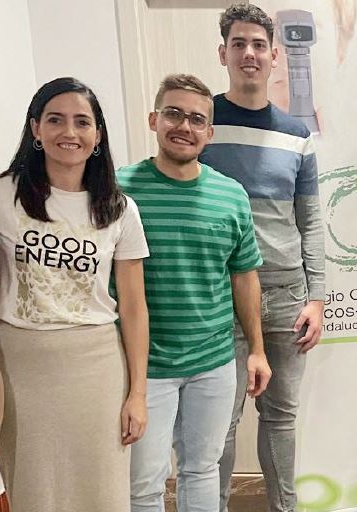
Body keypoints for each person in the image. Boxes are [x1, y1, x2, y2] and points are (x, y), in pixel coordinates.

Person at [0, 77, 151, 512]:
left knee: (102, 491)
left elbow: (134, 307)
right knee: (34, 489)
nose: (69, 132)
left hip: (96, 366)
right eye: (55, 120)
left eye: (82, 122)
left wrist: (138, 393)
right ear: (36, 128)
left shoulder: (119, 208)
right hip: (19, 363)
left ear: (98, 135)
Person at [123, 73, 271, 512]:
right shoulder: (118, 191)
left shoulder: (231, 195)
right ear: (154, 119)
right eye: (173, 114)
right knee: (144, 483)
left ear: (209, 132)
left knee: (203, 469)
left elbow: (244, 276)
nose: (184, 126)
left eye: (196, 119)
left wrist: (257, 350)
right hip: (145, 366)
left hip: (213, 361)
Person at [202, 6, 327, 511]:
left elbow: (310, 220)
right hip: (220, 296)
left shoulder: (297, 133)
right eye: (239, 44)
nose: (249, 54)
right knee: (222, 419)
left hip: (288, 295)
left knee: (281, 417)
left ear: (275, 55)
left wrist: (317, 298)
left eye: (258, 45)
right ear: (223, 53)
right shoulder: (202, 123)